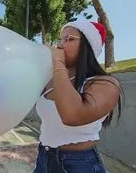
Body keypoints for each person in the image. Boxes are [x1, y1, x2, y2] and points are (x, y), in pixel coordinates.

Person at [33, 19, 124, 173]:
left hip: (78, 164)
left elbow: (72, 116)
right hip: (44, 157)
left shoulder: (106, 83)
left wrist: (58, 63)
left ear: (88, 46)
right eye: (60, 39)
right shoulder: (52, 80)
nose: (60, 45)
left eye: (69, 39)